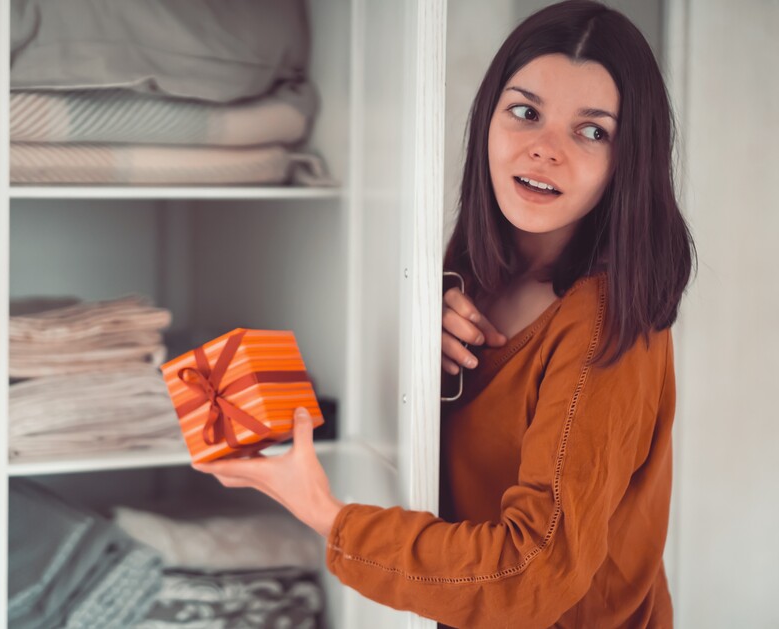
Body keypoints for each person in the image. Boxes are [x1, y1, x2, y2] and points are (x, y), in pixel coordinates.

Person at [192, 1, 695, 626]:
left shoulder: (603, 323)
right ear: (488, 118)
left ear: (630, 161)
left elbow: (532, 572)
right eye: (526, 112)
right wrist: (413, 352)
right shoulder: (465, 270)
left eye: (591, 131)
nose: (545, 150)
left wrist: (327, 514)